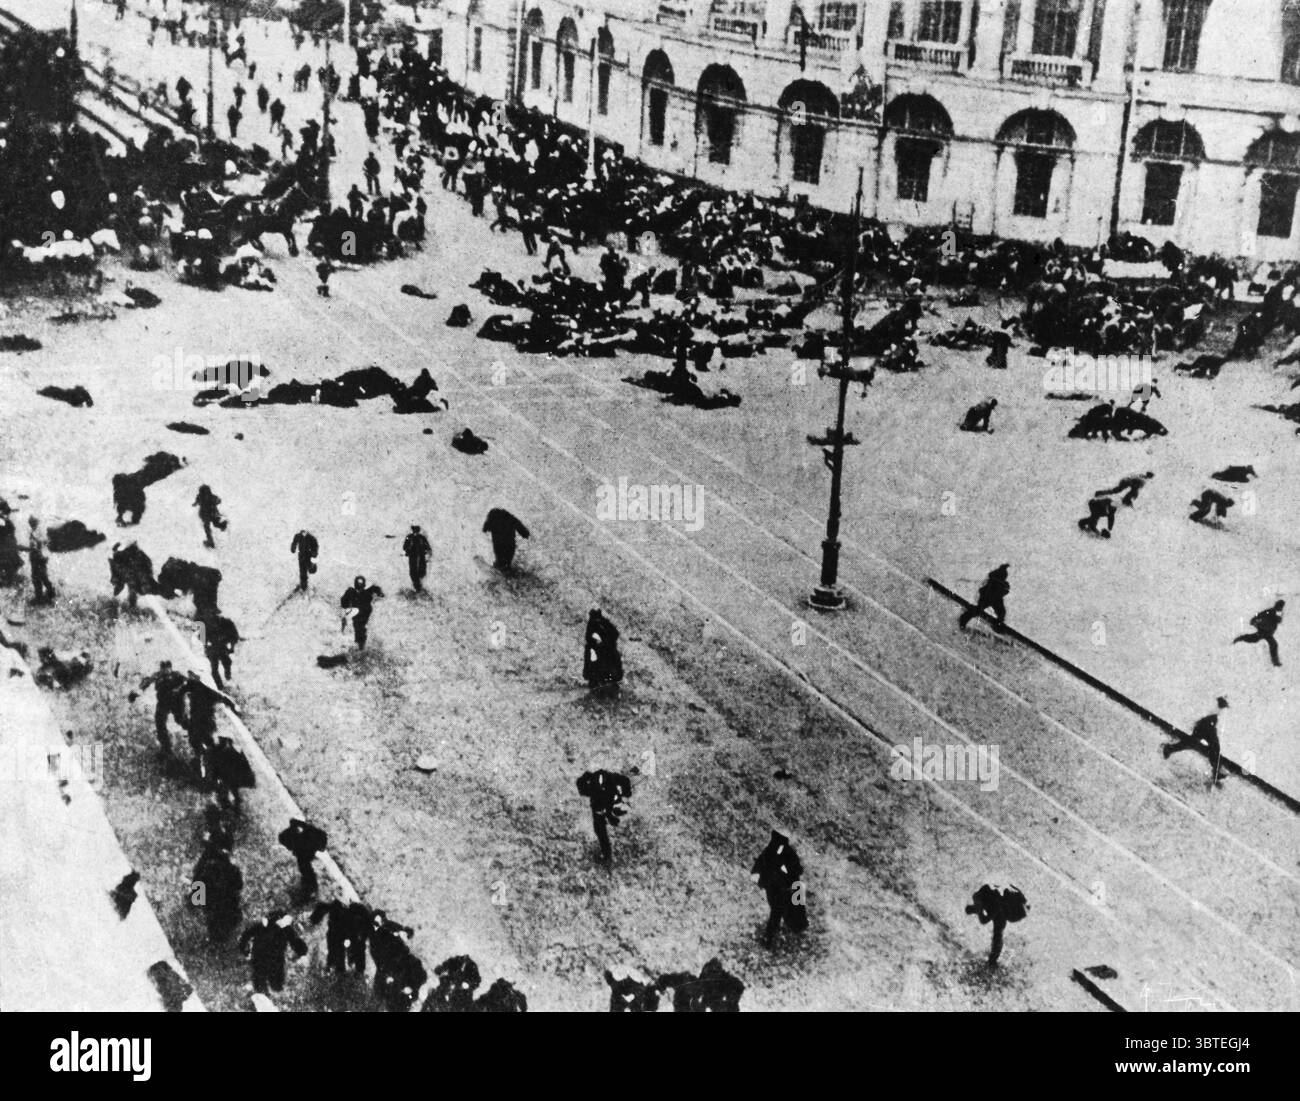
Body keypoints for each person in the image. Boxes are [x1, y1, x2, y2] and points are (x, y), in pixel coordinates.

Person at [751, 830, 807, 947]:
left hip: (777, 877)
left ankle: (779, 843)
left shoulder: (790, 905)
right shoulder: (791, 905)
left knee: (774, 860)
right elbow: (796, 882)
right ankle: (779, 843)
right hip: (778, 877)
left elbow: (796, 884)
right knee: (775, 860)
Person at [1163, 696, 1228, 787]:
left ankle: (1170, 748)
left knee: (1195, 743)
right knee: (1209, 746)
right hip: (1206, 724)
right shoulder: (1214, 709)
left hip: (1207, 724)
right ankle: (1217, 772)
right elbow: (1207, 715)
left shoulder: (1216, 710)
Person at [239, 910, 308, 996]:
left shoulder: (264, 925)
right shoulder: (283, 928)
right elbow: (296, 942)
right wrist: (303, 951)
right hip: (271, 959)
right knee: (274, 986)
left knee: (263, 985)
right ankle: (266, 996)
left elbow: (246, 936)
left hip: (263, 958)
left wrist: (244, 950)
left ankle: (264, 995)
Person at [190, 841, 243, 942]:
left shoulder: (209, 868)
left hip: (220, 903)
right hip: (222, 903)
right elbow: (239, 886)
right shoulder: (232, 869)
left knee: (217, 921)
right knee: (218, 922)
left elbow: (199, 882)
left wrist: (196, 901)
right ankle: (218, 939)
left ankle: (218, 939)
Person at [964, 883, 1028, 966]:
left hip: (1004, 902)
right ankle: (993, 960)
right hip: (999, 901)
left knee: (999, 928)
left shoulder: (996, 906)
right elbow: (984, 920)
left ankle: (993, 960)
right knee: (999, 928)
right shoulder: (984, 901)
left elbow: (984, 920)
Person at [576, 769, 631, 863]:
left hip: (606, 794)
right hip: (599, 800)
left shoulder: (612, 784)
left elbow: (625, 781)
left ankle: (607, 855)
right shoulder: (593, 793)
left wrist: (626, 794)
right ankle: (607, 856)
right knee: (600, 829)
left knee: (603, 825)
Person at [138, 659, 188, 756]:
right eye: (163, 669)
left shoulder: (176, 675)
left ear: (170, 668)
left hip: (176, 702)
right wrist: (138, 691)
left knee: (180, 720)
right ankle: (166, 747)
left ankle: (194, 731)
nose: (165, 671)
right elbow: (147, 682)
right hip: (163, 702)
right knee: (160, 722)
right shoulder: (158, 675)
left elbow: (187, 683)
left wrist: (179, 690)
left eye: (167, 668)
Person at [310, 898, 371, 974]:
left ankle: (347, 969)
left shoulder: (357, 912)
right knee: (337, 952)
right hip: (338, 934)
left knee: (352, 950)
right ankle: (337, 969)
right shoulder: (337, 907)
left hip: (348, 933)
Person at [279, 817, 328, 896]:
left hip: (313, 839)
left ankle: (309, 888)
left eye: (288, 846)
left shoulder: (303, 849)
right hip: (312, 838)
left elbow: (294, 822)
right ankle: (309, 888)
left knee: (303, 862)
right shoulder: (302, 847)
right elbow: (293, 821)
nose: (289, 849)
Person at [958, 564, 1010, 631]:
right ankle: (964, 618)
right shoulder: (995, 577)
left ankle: (998, 626)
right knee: (979, 609)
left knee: (1001, 612)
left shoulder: (998, 579)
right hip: (988, 596)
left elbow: (1005, 590)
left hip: (995, 598)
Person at [1232, 600, 1284, 667]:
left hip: (1268, 632)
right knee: (1260, 640)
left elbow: (1276, 620)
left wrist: (1278, 618)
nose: (1281, 608)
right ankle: (1275, 662)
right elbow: (1260, 615)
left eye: (1281, 607)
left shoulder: (1275, 612)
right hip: (1264, 631)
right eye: (1280, 607)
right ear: (1277, 606)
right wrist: (1254, 620)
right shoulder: (1270, 611)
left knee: (1267, 642)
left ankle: (1275, 662)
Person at [583, 608, 623, 693]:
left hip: (606, 652)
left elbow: (614, 634)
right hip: (599, 652)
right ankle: (598, 683)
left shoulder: (605, 625)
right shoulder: (593, 626)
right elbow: (589, 638)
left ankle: (606, 683)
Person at [341, 576, 383, 649]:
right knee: (358, 628)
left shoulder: (367, 592)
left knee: (361, 628)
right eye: (358, 583)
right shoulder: (351, 592)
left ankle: (362, 646)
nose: (359, 585)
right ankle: (360, 646)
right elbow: (343, 602)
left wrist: (379, 594)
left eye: (361, 583)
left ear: (364, 585)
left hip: (365, 613)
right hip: (357, 614)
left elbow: (378, 591)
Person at [201, 614, 240, 688]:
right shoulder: (206, 625)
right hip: (212, 648)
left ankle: (227, 677)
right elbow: (202, 639)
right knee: (214, 668)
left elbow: (233, 636)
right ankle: (220, 686)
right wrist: (206, 646)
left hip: (221, 646)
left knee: (227, 662)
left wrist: (231, 647)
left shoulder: (225, 623)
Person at [26, 517, 55, 605]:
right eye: (30, 523)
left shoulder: (37, 532)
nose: (31, 525)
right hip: (37, 558)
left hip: (38, 558)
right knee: (41, 577)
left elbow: (39, 545)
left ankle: (43, 596)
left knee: (39, 578)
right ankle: (47, 594)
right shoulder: (35, 532)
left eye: (32, 523)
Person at [402, 524, 431, 592]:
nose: (415, 532)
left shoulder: (421, 537)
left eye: (416, 530)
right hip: (412, 556)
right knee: (413, 571)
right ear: (412, 530)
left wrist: (425, 551)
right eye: (414, 530)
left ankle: (419, 583)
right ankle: (417, 585)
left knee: (422, 570)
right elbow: (404, 547)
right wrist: (408, 549)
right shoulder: (409, 537)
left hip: (421, 556)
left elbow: (427, 546)